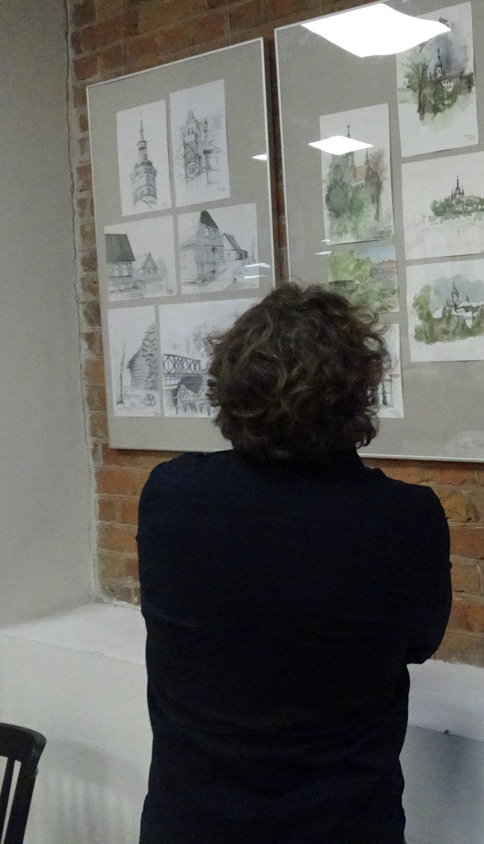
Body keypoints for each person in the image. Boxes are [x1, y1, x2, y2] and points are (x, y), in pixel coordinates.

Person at [136, 285, 452, 843]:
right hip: (340, 826)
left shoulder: (169, 493)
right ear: (359, 389)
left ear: (231, 383)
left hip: (191, 824)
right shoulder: (403, 518)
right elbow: (418, 643)